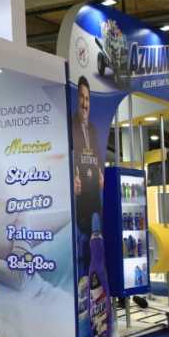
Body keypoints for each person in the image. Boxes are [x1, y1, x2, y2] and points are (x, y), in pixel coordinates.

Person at [72, 76, 103, 247]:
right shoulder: (70, 127)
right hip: (80, 207)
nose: (85, 104)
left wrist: (101, 176)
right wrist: (71, 183)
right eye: (81, 98)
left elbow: (97, 160)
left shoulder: (93, 130)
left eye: (87, 99)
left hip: (95, 204)